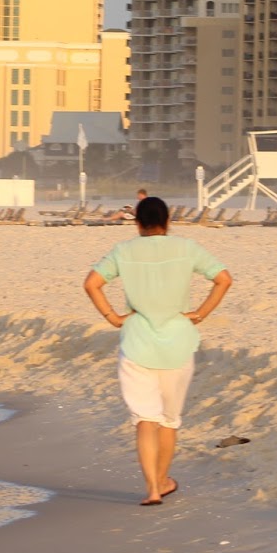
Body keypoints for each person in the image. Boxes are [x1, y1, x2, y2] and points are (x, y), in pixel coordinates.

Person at [83, 196, 233, 506]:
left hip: (137, 343)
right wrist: (200, 313)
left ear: (137, 223)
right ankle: (164, 480)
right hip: (178, 344)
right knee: (168, 421)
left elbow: (91, 284)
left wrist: (114, 318)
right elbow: (223, 279)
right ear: (167, 222)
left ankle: (152, 488)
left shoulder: (124, 251)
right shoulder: (186, 247)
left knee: (145, 420)